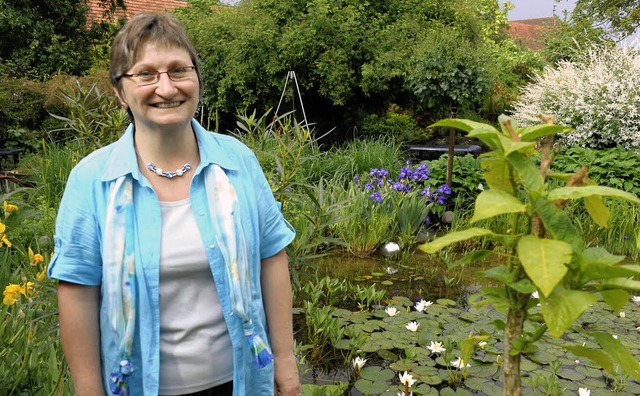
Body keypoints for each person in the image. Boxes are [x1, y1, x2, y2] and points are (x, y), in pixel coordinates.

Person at [48, 12, 301, 396]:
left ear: (197, 79)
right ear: (120, 92)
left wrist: (284, 359)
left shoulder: (237, 161)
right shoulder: (92, 180)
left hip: (242, 381)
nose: (166, 88)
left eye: (179, 70)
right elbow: (78, 292)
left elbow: (272, 258)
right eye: (146, 74)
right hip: (137, 386)